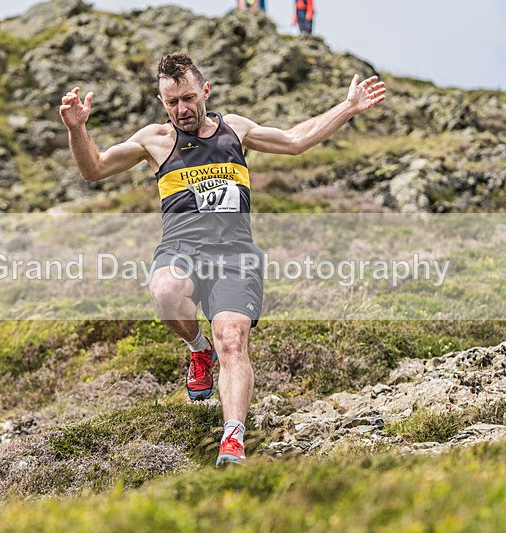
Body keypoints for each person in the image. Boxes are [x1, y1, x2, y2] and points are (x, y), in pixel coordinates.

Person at [59, 52, 385, 465]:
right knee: (164, 289)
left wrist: (349, 106)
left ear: (206, 91)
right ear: (162, 102)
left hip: (235, 257)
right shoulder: (154, 140)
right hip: (182, 251)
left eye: (189, 98)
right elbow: (95, 169)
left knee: (232, 340)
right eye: (172, 102)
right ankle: (199, 349)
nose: (182, 109)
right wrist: (77, 129)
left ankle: (233, 438)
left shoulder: (236, 130)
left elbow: (296, 140)